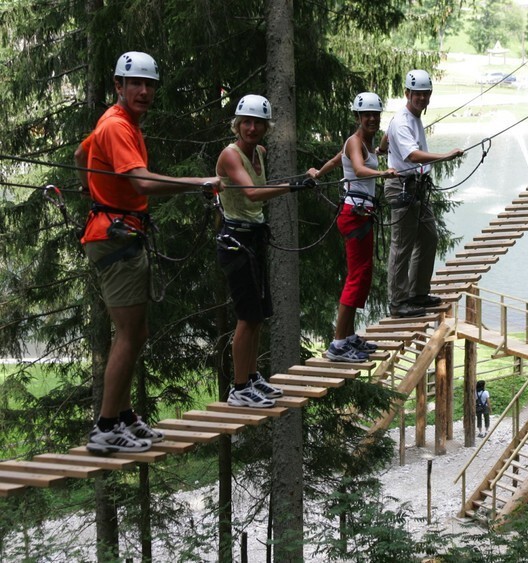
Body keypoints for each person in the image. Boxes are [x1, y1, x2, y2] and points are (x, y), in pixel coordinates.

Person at [75, 51, 222, 453]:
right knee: (128, 334)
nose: (143, 90)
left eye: (149, 84)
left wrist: (100, 191)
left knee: (134, 333)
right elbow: (141, 183)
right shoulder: (118, 126)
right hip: (115, 236)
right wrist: (198, 183)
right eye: (134, 83)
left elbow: (80, 156)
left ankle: (122, 416)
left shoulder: (116, 122)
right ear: (118, 85)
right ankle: (105, 427)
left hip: (117, 231)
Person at [216, 94, 316, 406]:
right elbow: (253, 193)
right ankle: (239, 386)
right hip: (235, 242)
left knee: (258, 315)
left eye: (258, 123)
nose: (252, 128)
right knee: (247, 316)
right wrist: (295, 185)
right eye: (246, 122)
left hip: (253, 239)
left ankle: (252, 375)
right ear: (237, 125)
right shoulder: (231, 156)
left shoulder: (259, 152)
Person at [308, 92, 396, 362]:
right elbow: (357, 169)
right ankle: (337, 345)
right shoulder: (355, 142)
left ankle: (347, 337)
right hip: (354, 214)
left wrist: (318, 173)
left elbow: (338, 160)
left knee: (363, 274)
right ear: (358, 116)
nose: (371, 118)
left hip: (362, 213)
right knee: (356, 276)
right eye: (366, 114)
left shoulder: (366, 143)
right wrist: (383, 173)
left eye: (375, 114)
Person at [380, 69, 464, 318]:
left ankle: (418, 293)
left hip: (416, 186)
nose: (422, 99)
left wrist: (383, 147)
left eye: (426, 94)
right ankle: (397, 302)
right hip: (402, 187)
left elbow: (387, 136)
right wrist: (445, 155)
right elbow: (412, 155)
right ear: (407, 93)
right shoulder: (403, 121)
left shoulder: (411, 118)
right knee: (402, 245)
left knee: (429, 237)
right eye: (417, 94)